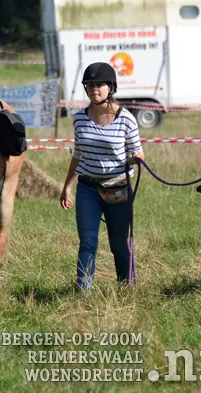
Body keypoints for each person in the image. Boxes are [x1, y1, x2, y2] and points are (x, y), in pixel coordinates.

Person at [59, 62, 145, 290]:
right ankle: (83, 290)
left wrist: (134, 158)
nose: (94, 89)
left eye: (99, 85)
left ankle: (127, 287)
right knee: (87, 242)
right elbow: (78, 154)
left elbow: (138, 153)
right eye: (90, 85)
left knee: (118, 244)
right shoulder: (79, 118)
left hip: (118, 188)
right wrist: (67, 185)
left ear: (111, 88)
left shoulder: (126, 119)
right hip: (88, 189)